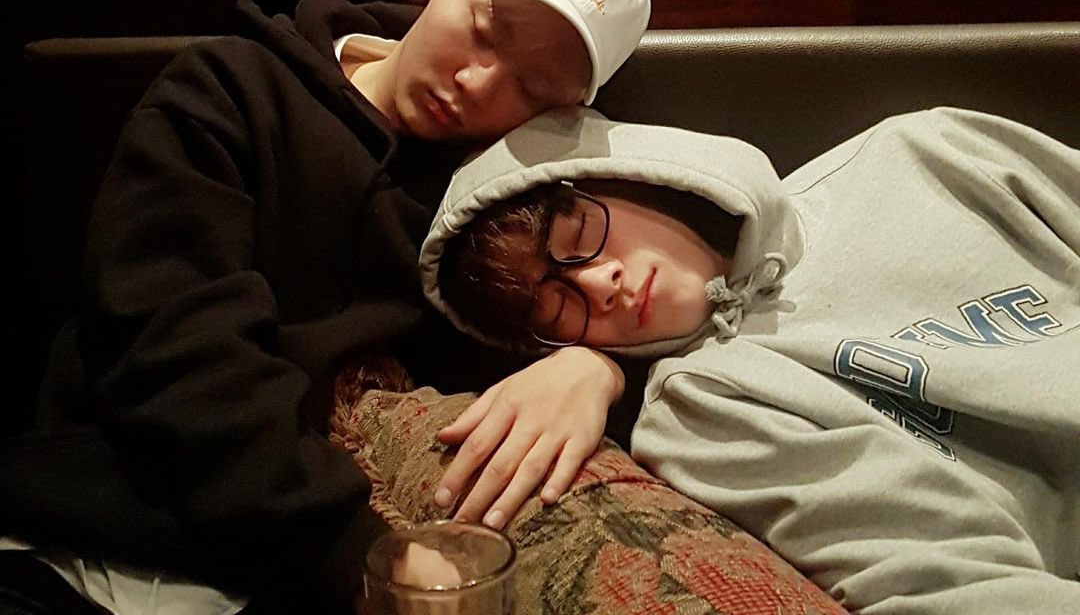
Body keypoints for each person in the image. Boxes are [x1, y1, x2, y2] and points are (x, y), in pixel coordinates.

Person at [0, 0, 652, 615]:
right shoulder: (230, 88)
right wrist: (355, 551)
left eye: (532, 88)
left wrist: (596, 370)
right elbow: (171, 350)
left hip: (293, 579)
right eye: (485, 30)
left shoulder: (498, 205)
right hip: (95, 539)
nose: (479, 82)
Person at [420, 106, 1080, 613]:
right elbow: (950, 585)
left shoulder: (922, 152)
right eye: (557, 309)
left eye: (580, 235)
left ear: (626, 177)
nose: (599, 284)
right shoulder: (704, 405)